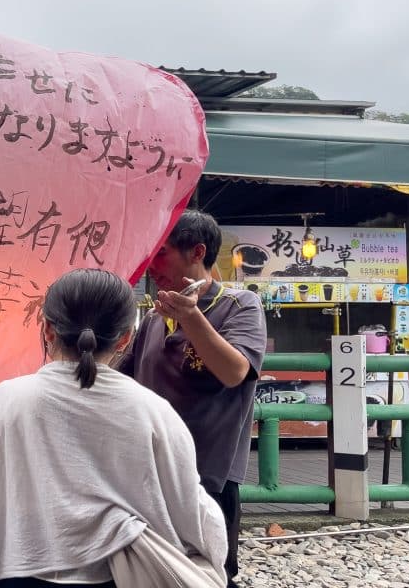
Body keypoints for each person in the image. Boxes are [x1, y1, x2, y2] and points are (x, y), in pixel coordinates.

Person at [0, 269, 226, 587]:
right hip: (113, 577)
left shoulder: (6, 400)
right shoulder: (153, 412)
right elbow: (188, 504)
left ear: (48, 329)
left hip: (17, 573)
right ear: (125, 338)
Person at [118, 210, 267, 588]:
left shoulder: (240, 305)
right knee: (148, 571)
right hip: (147, 471)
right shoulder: (154, 318)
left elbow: (234, 372)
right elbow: (120, 378)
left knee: (209, 575)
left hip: (209, 474)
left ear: (197, 252)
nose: (151, 266)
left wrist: (190, 317)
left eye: (162, 254)